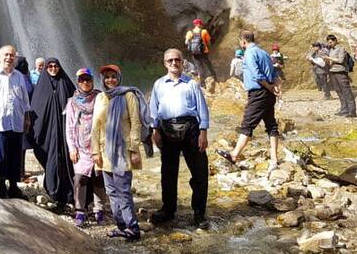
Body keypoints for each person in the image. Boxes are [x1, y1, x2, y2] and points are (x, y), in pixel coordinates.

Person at [149, 49, 210, 229]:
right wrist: (155, 130)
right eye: (170, 60)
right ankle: (168, 210)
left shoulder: (191, 84)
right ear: (165, 63)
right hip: (166, 129)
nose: (174, 63)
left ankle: (199, 213)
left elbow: (202, 109)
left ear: (182, 62)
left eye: (177, 60)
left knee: (200, 172)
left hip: (191, 129)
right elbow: (154, 110)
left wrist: (203, 132)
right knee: (168, 173)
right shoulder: (158, 84)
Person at [91, 64, 143, 241]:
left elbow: (136, 123)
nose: (110, 80)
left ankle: (133, 227)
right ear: (103, 80)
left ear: (119, 77)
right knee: (111, 191)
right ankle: (121, 226)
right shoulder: (100, 97)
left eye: (113, 76)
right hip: (105, 152)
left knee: (123, 191)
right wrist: (94, 152)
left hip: (122, 151)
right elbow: (95, 127)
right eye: (107, 77)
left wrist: (134, 149)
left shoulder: (128, 95)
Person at [217, 31, 281, 171]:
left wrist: (269, 87)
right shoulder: (264, 52)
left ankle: (234, 155)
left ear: (243, 41)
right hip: (268, 94)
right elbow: (274, 71)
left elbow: (257, 74)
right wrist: (275, 86)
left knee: (247, 124)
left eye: (240, 42)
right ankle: (274, 159)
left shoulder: (249, 53)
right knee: (271, 125)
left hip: (259, 92)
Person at [0, 45, 31, 199]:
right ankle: (1, 186)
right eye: (6, 55)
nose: (9, 58)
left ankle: (13, 186)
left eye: (12, 55)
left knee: (15, 155)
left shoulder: (19, 76)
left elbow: (25, 99)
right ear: (0, 57)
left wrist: (27, 117)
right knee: (0, 155)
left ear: (15, 58)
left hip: (16, 121)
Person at [31, 57, 76, 209]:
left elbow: (76, 103)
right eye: (49, 66)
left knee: (66, 161)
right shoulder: (41, 86)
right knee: (52, 160)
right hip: (49, 132)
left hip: (65, 132)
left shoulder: (66, 83)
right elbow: (36, 109)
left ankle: (70, 194)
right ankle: (53, 192)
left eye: (55, 65)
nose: (52, 68)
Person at [65, 68, 106, 227]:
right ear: (78, 82)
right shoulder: (72, 101)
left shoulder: (100, 97)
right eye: (82, 80)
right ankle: (80, 211)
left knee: (99, 178)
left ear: (92, 81)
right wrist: (72, 148)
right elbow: (69, 126)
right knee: (80, 178)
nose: (85, 82)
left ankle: (99, 209)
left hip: (99, 144)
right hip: (80, 146)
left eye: (88, 79)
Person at [322, 34, 357, 117]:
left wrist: (329, 58)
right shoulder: (331, 50)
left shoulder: (341, 48)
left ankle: (352, 111)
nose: (329, 43)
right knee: (339, 91)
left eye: (331, 42)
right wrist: (326, 60)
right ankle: (344, 109)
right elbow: (331, 62)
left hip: (341, 72)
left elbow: (341, 60)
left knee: (346, 91)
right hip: (332, 72)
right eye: (328, 42)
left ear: (335, 41)